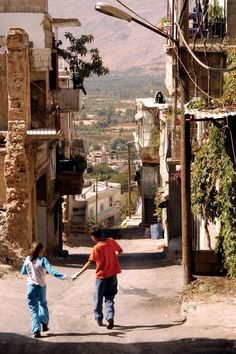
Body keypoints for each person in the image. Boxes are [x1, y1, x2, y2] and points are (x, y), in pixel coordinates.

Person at [71, 227, 123, 329]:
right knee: (109, 298)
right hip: (113, 275)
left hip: (102, 277)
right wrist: (112, 256)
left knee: (98, 298)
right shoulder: (111, 241)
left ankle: (99, 319)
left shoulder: (96, 248)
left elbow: (90, 262)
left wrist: (78, 273)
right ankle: (110, 316)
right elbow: (120, 251)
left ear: (93, 237)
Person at [21, 241, 68, 338]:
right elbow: (51, 271)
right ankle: (44, 323)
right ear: (41, 250)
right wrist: (63, 276)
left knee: (33, 309)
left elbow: (23, 272)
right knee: (43, 304)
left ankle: (36, 330)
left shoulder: (27, 259)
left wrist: (32, 272)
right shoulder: (43, 260)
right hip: (41, 286)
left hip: (31, 287)